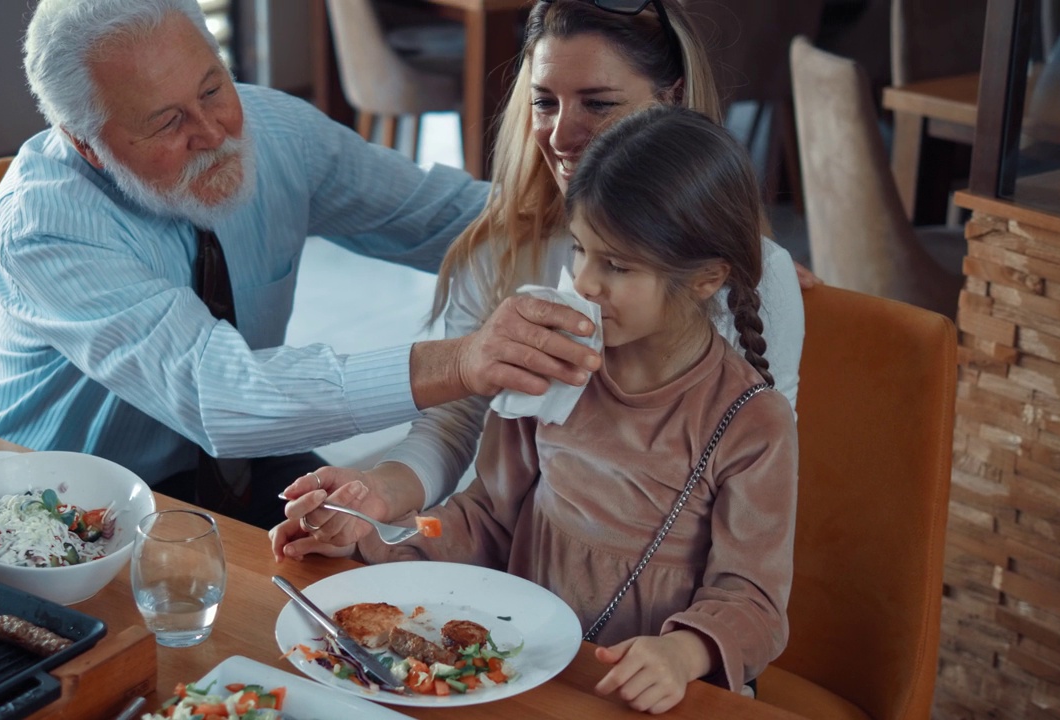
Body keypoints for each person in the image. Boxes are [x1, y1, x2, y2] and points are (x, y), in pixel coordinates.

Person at [0, 0, 602, 528]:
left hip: (232, 472)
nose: (214, 131)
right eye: (167, 122)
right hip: (53, 501)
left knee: (367, 573)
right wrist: (463, 360)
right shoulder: (46, 223)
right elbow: (221, 396)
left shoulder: (275, 132)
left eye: (213, 88)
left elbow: (456, 220)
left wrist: (638, 226)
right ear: (88, 145)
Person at [272, 105, 799, 714]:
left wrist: (684, 653)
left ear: (706, 278)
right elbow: (483, 517)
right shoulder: (551, 367)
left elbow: (753, 603)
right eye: (580, 249)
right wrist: (377, 538)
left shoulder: (752, 424)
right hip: (528, 673)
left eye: (617, 265)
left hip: (652, 696)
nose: (586, 281)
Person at [279, 0, 805, 543]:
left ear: (670, 99)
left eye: (598, 104)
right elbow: (455, 422)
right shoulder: (502, 249)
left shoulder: (758, 280)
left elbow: (761, 479)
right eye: (545, 102)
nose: (558, 136)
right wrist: (379, 492)